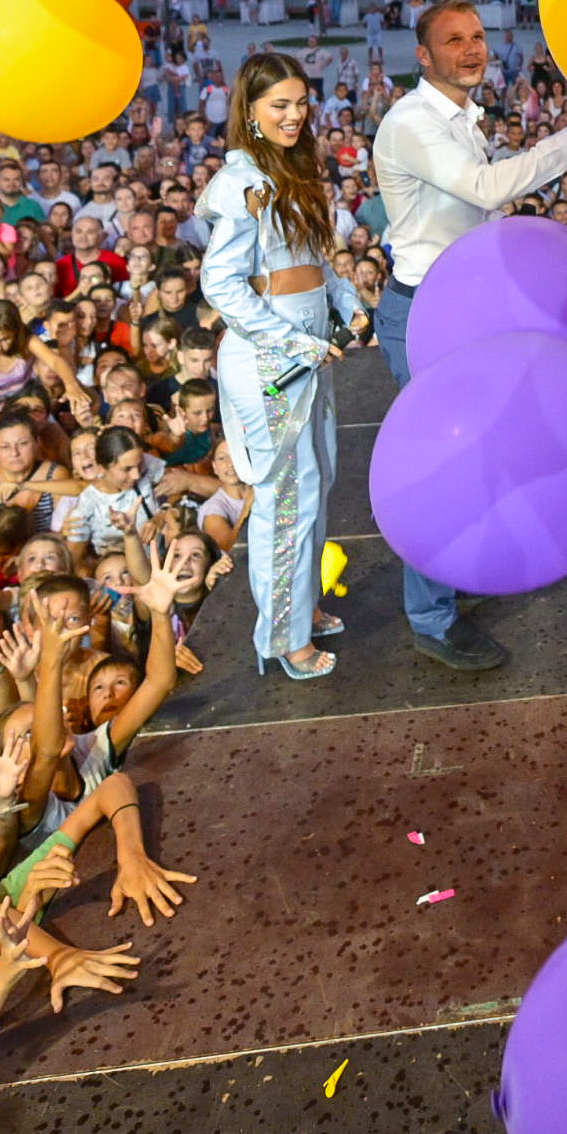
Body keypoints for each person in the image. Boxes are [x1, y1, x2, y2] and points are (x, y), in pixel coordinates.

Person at [369, 0, 567, 673]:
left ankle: (452, 580)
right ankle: (432, 622)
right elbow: (485, 188)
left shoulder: (459, 118)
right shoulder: (412, 123)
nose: (473, 49)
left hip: (460, 310)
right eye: (454, 40)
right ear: (424, 55)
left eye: (477, 37)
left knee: (471, 457)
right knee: (440, 467)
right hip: (421, 314)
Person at [199, 52, 367, 679]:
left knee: (315, 485)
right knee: (286, 503)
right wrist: (292, 341)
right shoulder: (245, 181)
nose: (295, 115)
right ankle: (284, 639)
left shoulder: (289, 170)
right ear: (249, 110)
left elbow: (310, 264)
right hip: (272, 365)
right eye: (280, 105)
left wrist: (347, 302)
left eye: (301, 102)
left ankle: (303, 607)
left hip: (308, 352)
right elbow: (222, 284)